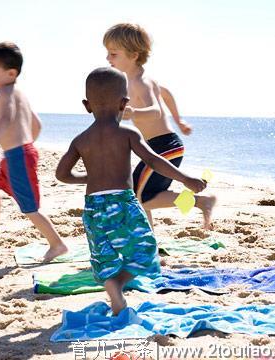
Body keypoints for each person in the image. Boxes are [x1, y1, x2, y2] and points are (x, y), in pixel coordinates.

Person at [55, 67, 206, 315]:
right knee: (145, 250)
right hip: (123, 203)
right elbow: (154, 161)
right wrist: (185, 179)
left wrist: (89, 177)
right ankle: (119, 283)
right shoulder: (127, 133)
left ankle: (111, 287)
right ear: (124, 104)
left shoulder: (80, 139)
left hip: (93, 207)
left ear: (86, 105)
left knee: (104, 255)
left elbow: (61, 175)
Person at [103, 23, 216, 229]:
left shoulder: (140, 82)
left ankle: (202, 202)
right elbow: (165, 92)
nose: (108, 58)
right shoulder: (141, 79)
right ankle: (150, 240)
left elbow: (155, 110)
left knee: (142, 197)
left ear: (134, 55)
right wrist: (179, 119)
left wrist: (134, 113)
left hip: (164, 147)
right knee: (139, 193)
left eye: (113, 54)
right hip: (161, 146)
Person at [0, 42, 67, 262]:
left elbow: (7, 119)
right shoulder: (19, 93)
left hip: (17, 156)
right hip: (17, 154)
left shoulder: (5, 94)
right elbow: (37, 124)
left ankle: (57, 244)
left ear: (11, 73)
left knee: (29, 207)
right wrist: (27, 146)